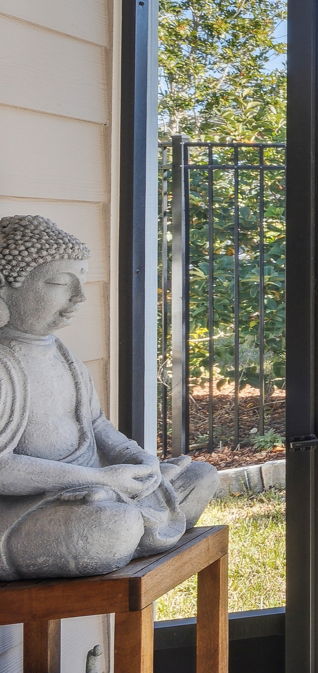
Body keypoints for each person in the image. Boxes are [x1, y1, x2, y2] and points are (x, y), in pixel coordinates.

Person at [0, 217, 214, 579]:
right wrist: (101, 481)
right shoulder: (5, 366)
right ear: (5, 290)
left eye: (81, 283)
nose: (78, 298)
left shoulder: (64, 355)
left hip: (98, 487)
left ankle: (132, 519)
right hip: (29, 507)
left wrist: (139, 460)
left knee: (200, 476)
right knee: (110, 527)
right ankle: (129, 527)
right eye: (59, 283)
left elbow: (96, 425)